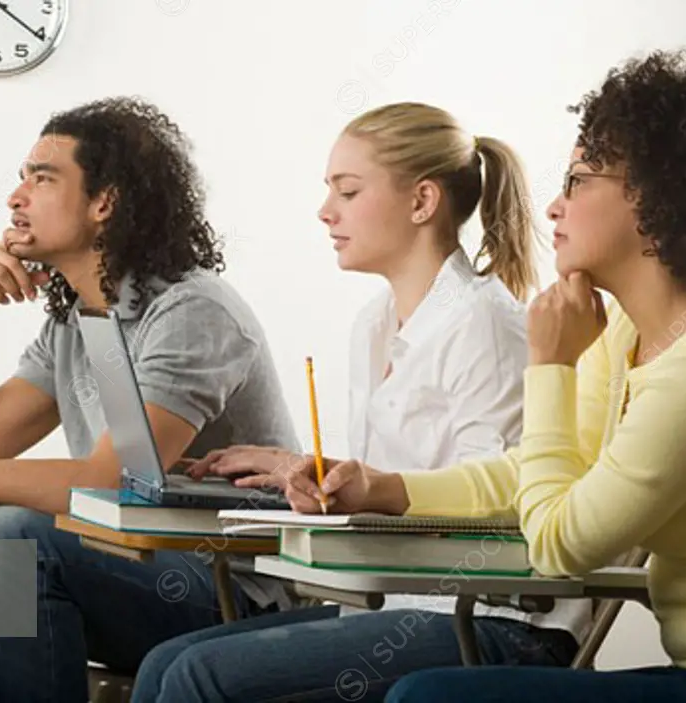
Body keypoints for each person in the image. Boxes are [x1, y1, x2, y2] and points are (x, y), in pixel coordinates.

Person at [283, 50, 686, 703]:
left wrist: (551, 363)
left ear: (655, 196)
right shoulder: (622, 331)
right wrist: (384, 487)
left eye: (579, 180)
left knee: (428, 698)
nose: (555, 207)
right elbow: (529, 472)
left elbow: (563, 541)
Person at [0, 97, 301, 702]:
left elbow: (110, 479)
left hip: (230, 590)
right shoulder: (77, 322)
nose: (16, 198)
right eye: (21, 178)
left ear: (104, 202)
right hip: (125, 568)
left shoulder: (191, 311)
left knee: (14, 538)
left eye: (42, 179)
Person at [133, 102, 593, 702]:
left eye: (347, 192)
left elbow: (507, 507)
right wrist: (295, 470)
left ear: (422, 202)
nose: (325, 212)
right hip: (393, 605)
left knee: (197, 676)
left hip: (492, 621)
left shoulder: (485, 326)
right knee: (167, 663)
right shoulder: (374, 324)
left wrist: (361, 489)